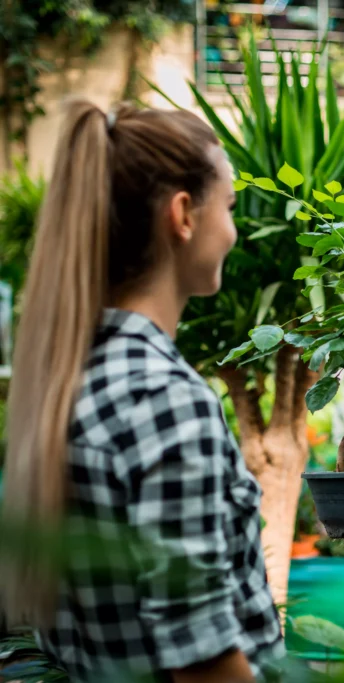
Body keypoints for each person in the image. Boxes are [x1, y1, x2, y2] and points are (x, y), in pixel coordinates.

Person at [0, 99, 282, 682]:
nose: (233, 230)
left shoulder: (65, 380)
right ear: (183, 215)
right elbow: (204, 665)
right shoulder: (165, 400)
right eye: (228, 206)